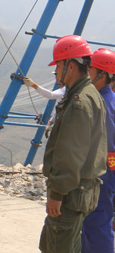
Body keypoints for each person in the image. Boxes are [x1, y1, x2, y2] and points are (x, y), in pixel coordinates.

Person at [39, 35, 107, 253]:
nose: (56, 72)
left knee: (58, 246)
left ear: (71, 66)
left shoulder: (79, 102)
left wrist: (57, 194)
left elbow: (71, 154)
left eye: (58, 65)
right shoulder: (88, 94)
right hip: (80, 190)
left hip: (71, 193)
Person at [81, 48, 115, 252]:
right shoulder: (107, 100)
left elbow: (106, 143)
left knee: (97, 221)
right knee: (93, 221)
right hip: (106, 167)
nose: (86, 75)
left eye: (90, 71)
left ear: (103, 75)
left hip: (102, 169)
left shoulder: (103, 104)